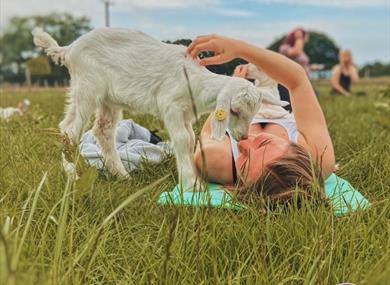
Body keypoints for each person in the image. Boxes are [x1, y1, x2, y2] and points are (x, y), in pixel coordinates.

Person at [187, 34, 335, 203]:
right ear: (297, 151)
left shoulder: (214, 161)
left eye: (244, 161)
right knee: (276, 79)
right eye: (264, 143)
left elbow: (210, 129)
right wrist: (239, 48)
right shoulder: (319, 158)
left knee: (258, 83)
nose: (244, 142)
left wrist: (232, 86)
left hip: (239, 110)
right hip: (280, 109)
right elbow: (297, 81)